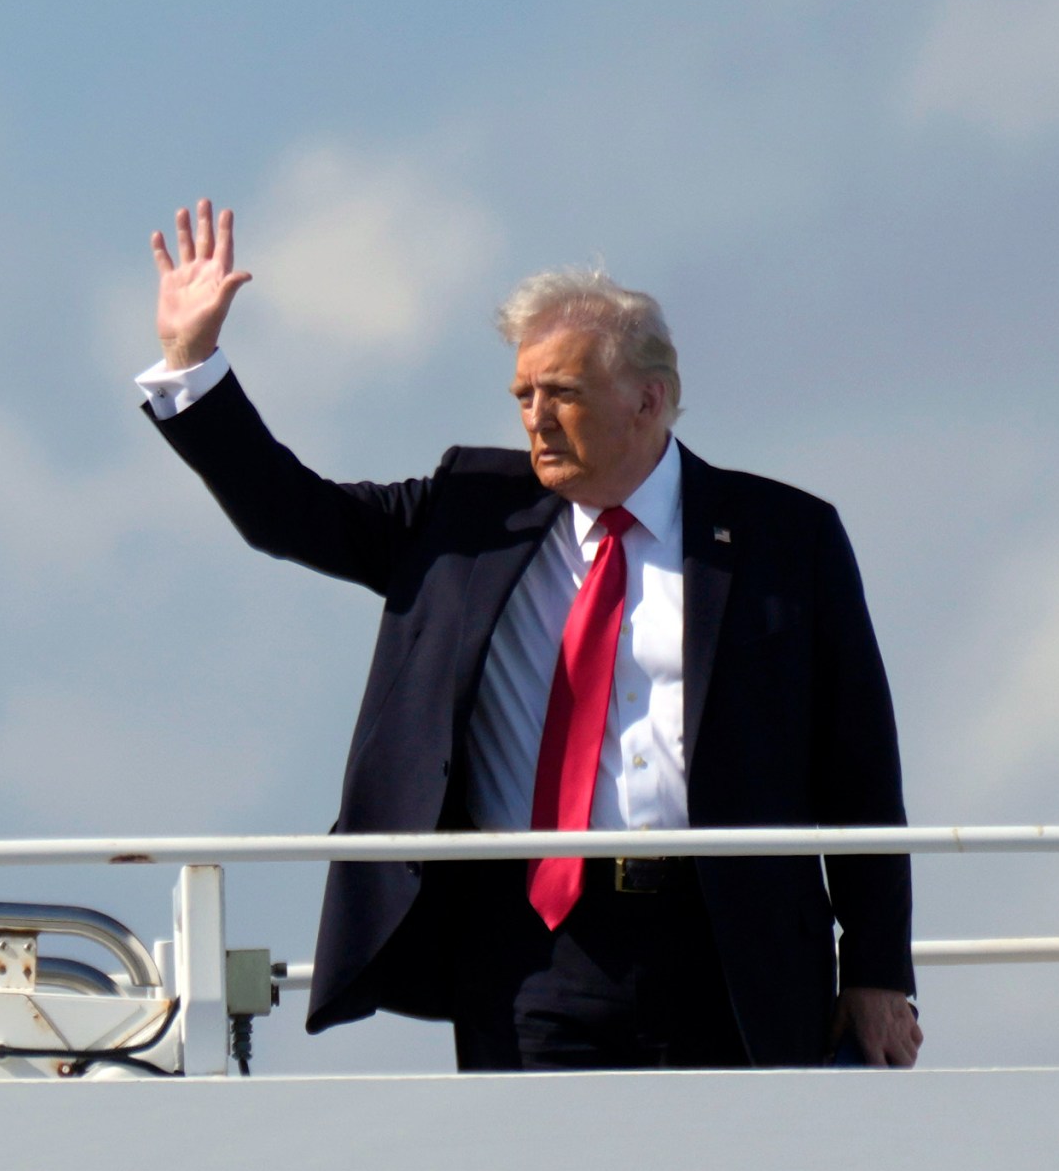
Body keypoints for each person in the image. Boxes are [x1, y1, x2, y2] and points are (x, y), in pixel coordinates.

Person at [137, 200, 922, 1070]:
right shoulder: (469, 516)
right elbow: (292, 513)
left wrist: (879, 970)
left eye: (564, 394)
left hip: (731, 945)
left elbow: (861, 773)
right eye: (524, 394)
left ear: (648, 400)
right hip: (528, 953)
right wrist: (192, 363)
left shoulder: (785, 539)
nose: (536, 418)